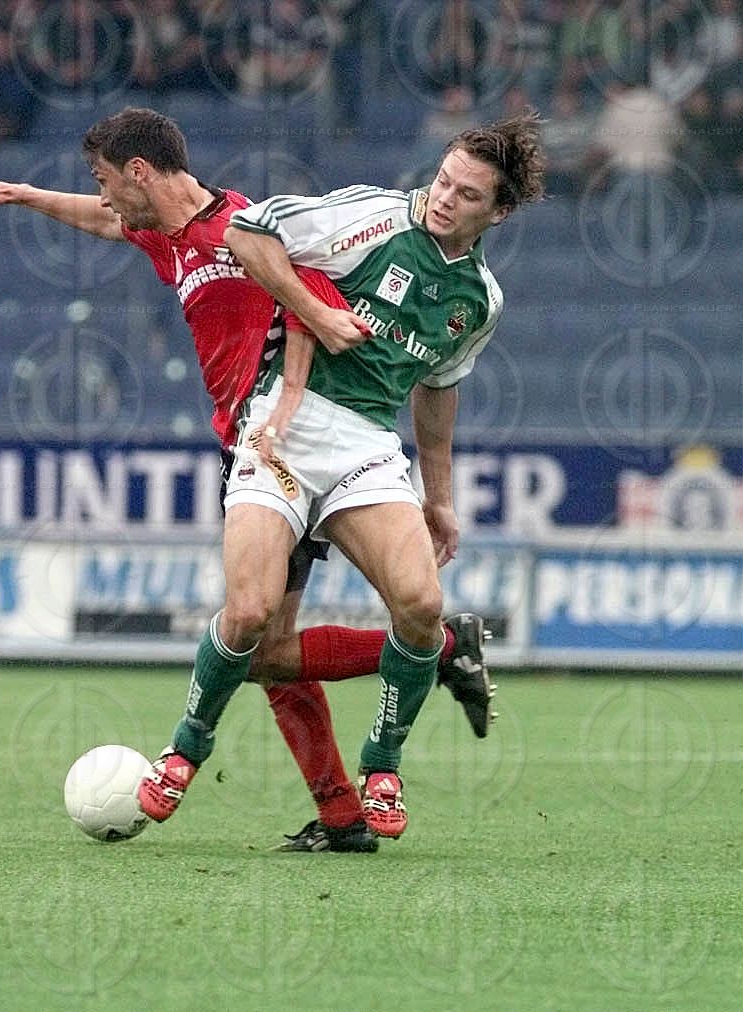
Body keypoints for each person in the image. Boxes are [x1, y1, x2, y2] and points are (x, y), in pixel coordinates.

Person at [0, 107, 495, 851]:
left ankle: (405, 700)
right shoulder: (167, 237)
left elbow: (309, 296)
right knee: (266, 649)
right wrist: (21, 195)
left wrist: (288, 399)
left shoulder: (238, 226)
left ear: (139, 172)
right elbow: (104, 221)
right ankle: (349, 800)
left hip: (291, 437)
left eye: (104, 179)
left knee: (263, 640)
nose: (102, 196)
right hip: (248, 442)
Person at [135, 110, 545, 839]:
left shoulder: (479, 301)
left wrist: (440, 499)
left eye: (468, 194)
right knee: (250, 615)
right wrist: (315, 316)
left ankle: (381, 763)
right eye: (444, 180)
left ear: (499, 212)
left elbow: (438, 390)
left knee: (420, 603)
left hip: (365, 444)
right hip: (286, 426)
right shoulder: (373, 217)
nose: (445, 198)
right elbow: (247, 233)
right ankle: (187, 746)